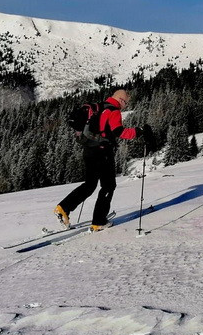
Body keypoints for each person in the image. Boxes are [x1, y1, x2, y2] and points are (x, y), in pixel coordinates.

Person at [55, 89, 142, 232]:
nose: (125, 105)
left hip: (88, 150)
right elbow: (119, 132)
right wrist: (138, 131)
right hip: (103, 153)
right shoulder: (113, 110)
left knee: (89, 185)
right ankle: (99, 221)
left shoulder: (99, 106)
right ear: (121, 100)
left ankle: (63, 208)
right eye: (126, 102)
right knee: (108, 186)